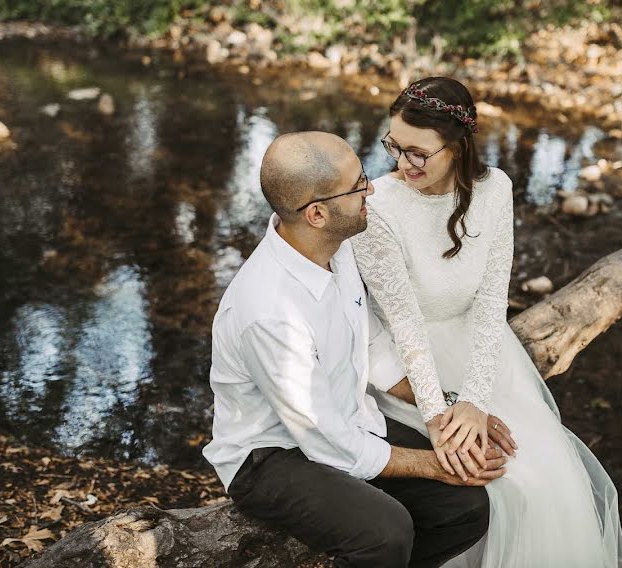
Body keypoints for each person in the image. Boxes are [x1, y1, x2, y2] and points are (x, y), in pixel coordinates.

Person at [202, 131, 516, 568]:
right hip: (269, 456)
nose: (372, 187)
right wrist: (432, 464)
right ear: (317, 213)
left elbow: (370, 344)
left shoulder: (335, 248)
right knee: (385, 532)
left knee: (464, 507)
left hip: (345, 418)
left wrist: (449, 408)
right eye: (358, 184)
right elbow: (326, 440)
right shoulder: (269, 311)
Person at [352, 77, 622, 567]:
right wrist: (440, 420)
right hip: (409, 370)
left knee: (548, 477)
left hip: (486, 354)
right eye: (395, 146)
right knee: (492, 482)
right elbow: (406, 324)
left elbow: (490, 300)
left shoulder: (496, 187)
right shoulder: (377, 209)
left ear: (457, 147)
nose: (403, 163)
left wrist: (476, 400)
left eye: (420, 153)